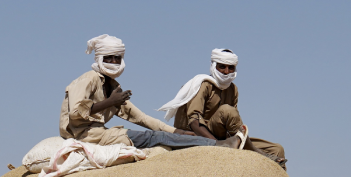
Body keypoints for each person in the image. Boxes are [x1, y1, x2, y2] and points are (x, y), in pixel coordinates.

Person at [61, 35, 246, 150]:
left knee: (159, 133)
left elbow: (142, 118)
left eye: (117, 58)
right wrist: (110, 102)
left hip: (99, 133)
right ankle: (216, 146)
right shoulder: (88, 79)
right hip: (83, 135)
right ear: (99, 58)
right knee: (154, 139)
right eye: (108, 58)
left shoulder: (112, 86)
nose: (114, 62)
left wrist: (179, 131)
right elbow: (75, 113)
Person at [157, 48, 287, 167]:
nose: (226, 71)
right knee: (227, 110)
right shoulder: (203, 85)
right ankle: (256, 152)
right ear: (214, 66)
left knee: (276, 149)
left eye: (231, 68)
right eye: (222, 67)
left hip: (222, 137)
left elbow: (233, 125)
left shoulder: (233, 89)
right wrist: (218, 145)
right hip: (195, 137)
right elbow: (194, 122)